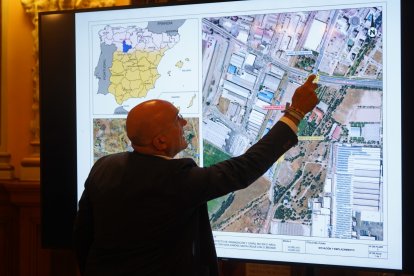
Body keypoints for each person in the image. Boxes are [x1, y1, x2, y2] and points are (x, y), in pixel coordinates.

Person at [73, 75, 319, 276]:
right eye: (177, 119)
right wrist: (295, 113)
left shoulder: (104, 166)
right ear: (160, 141)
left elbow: (83, 235)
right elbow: (244, 169)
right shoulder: (176, 180)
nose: (185, 124)